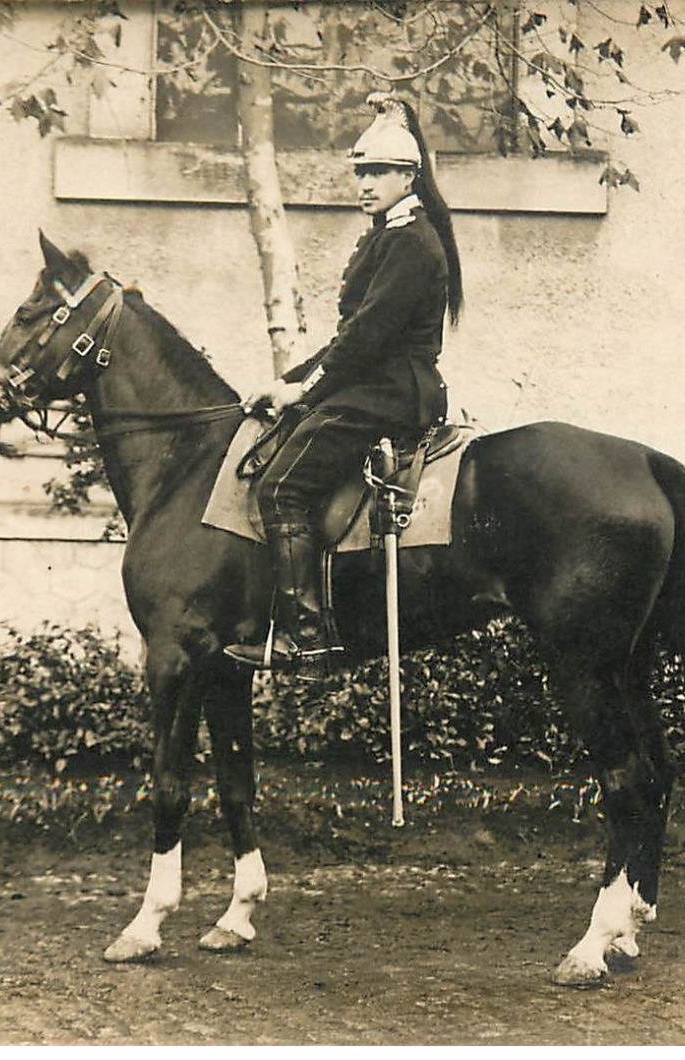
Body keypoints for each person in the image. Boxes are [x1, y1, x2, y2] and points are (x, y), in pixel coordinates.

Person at [224, 92, 464, 671]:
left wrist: (306, 393)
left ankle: (309, 636)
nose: (365, 182)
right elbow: (349, 337)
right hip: (372, 385)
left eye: (379, 171)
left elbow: (368, 339)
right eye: (360, 171)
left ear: (410, 175)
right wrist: (285, 381)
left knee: (280, 490)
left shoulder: (410, 241)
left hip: (387, 394)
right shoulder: (389, 234)